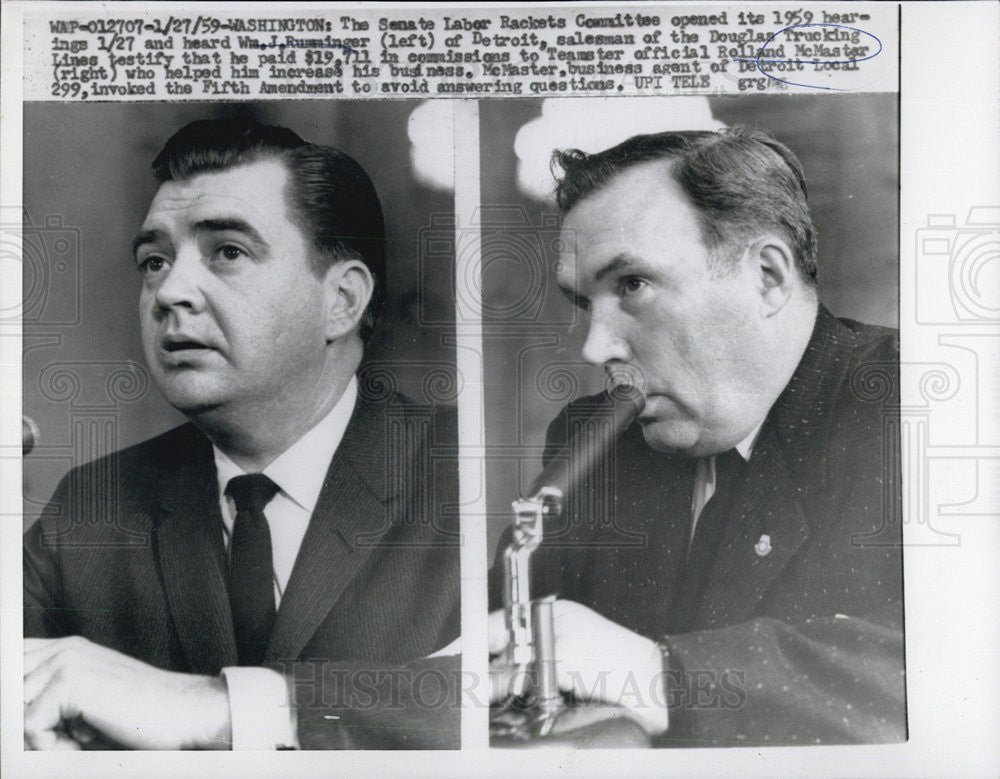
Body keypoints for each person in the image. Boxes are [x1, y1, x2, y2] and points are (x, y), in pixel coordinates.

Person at [24, 118, 460, 750]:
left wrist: (220, 708)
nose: (170, 292)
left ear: (342, 300)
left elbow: (531, 701)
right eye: (154, 261)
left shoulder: (479, 479)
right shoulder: (91, 507)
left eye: (228, 251)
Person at [489, 127, 905, 746]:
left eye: (632, 285)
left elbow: (955, 669)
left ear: (767, 276)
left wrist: (657, 676)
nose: (596, 347)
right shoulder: (590, 442)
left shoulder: (927, 406)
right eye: (586, 303)